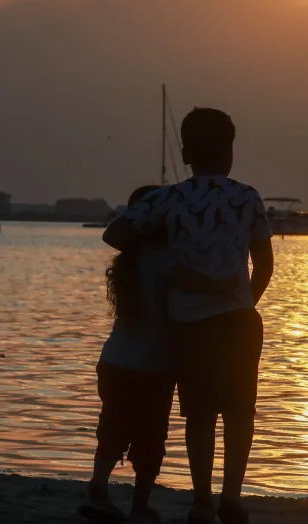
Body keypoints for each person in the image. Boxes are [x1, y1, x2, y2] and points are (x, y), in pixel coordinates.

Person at [103, 108, 274, 524]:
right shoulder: (247, 196)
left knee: (199, 416)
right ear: (229, 149)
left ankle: (201, 501)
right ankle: (230, 496)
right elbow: (265, 265)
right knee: (239, 412)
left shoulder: (168, 198)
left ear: (185, 151)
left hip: (189, 325)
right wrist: (241, 299)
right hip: (238, 320)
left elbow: (114, 234)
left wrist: (162, 249)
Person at [81, 185, 239, 524]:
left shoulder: (127, 262)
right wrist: (230, 282)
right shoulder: (166, 260)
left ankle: (99, 488)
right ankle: (139, 504)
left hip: (115, 361)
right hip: (154, 368)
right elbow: (202, 285)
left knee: (112, 429)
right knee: (150, 439)